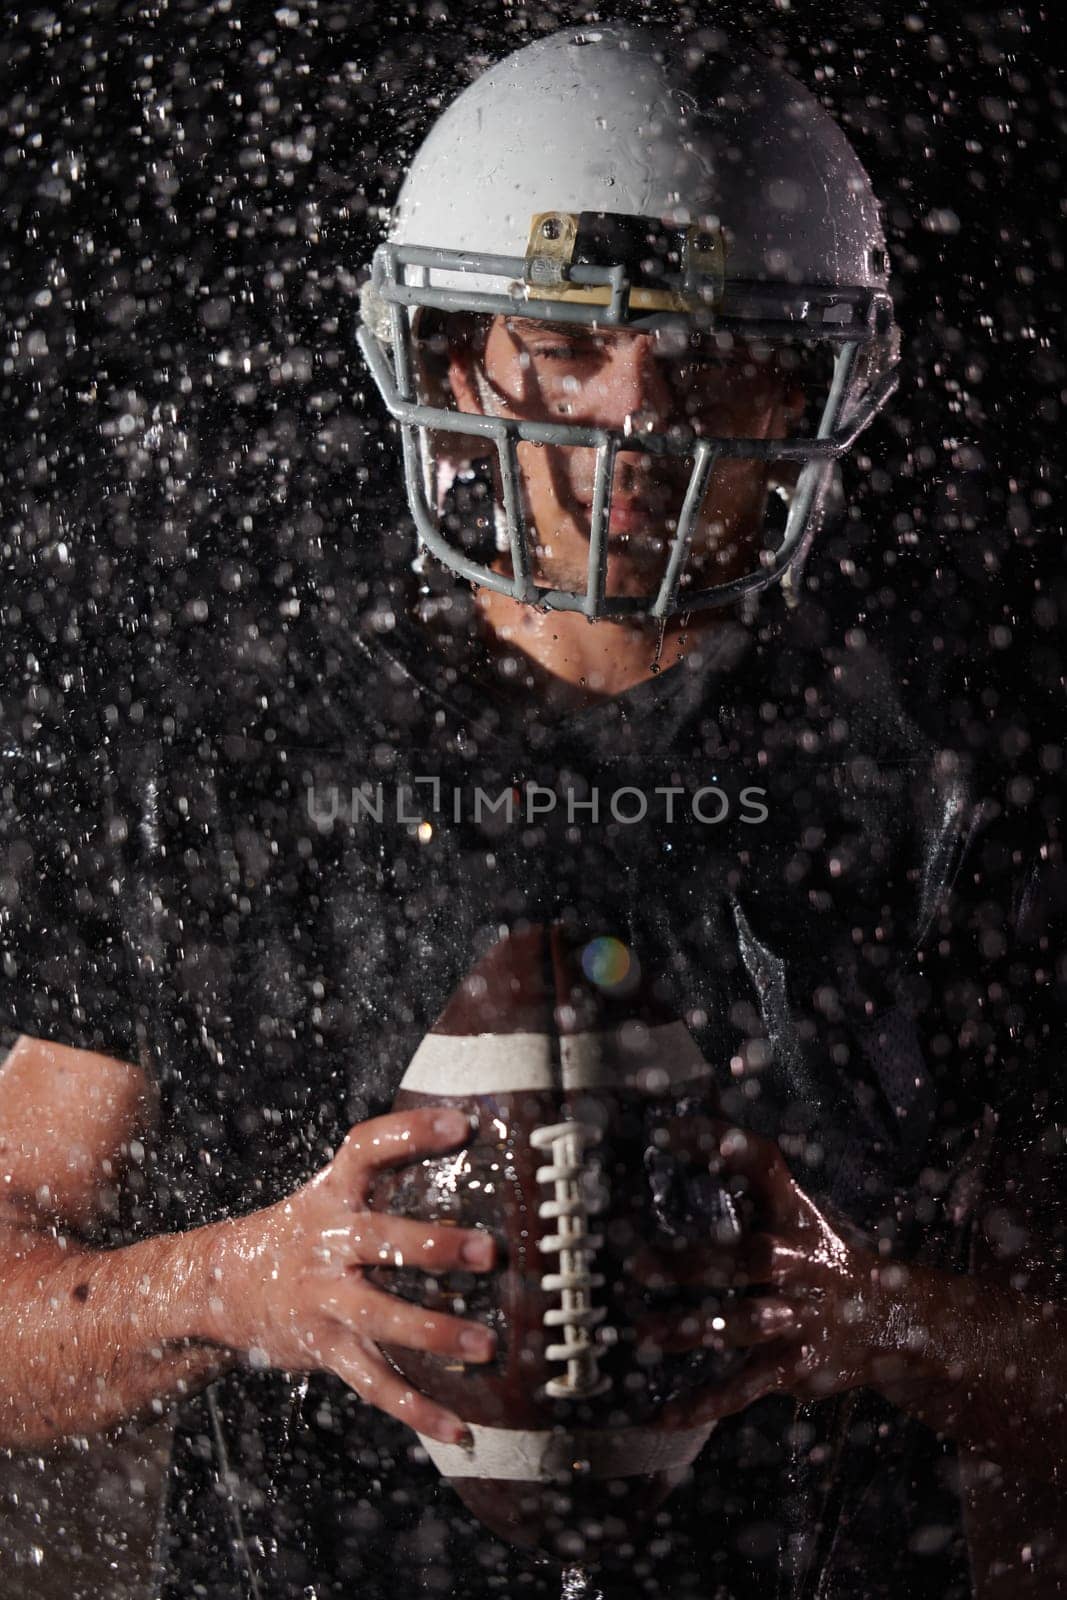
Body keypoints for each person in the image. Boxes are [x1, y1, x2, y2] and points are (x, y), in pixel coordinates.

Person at [0, 22, 1062, 1600]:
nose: (637, 419)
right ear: (449, 357)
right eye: (570, 344)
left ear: (819, 379)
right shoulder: (235, 747)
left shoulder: (950, 772)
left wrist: (874, 1319)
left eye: (711, 353)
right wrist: (234, 1280)